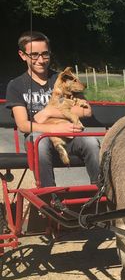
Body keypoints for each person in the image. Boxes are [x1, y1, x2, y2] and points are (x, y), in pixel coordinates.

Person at [5, 31, 100, 187]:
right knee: (39, 143)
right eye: (34, 55)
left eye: (45, 54)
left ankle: (99, 192)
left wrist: (49, 112)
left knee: (91, 142)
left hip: (69, 134)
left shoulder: (62, 78)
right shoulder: (16, 85)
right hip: (39, 137)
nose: (41, 60)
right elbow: (23, 125)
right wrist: (53, 127)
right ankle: (49, 196)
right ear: (23, 55)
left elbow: (86, 110)